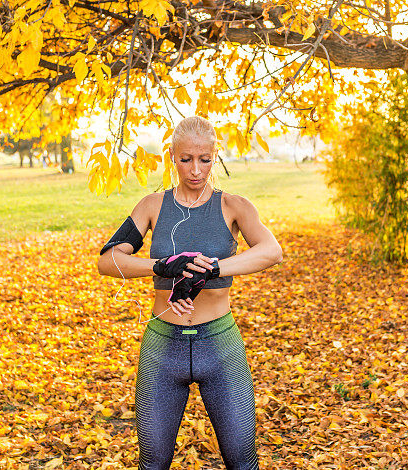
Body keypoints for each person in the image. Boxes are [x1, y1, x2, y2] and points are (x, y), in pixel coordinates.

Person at [96, 115, 283, 470]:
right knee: (152, 463)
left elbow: (271, 252)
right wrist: (160, 265)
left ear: (215, 156)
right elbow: (108, 260)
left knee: (243, 462)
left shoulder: (233, 206)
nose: (195, 170)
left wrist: (215, 268)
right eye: (186, 159)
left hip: (221, 345)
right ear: (172, 156)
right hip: (163, 348)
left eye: (205, 159)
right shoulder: (153, 206)